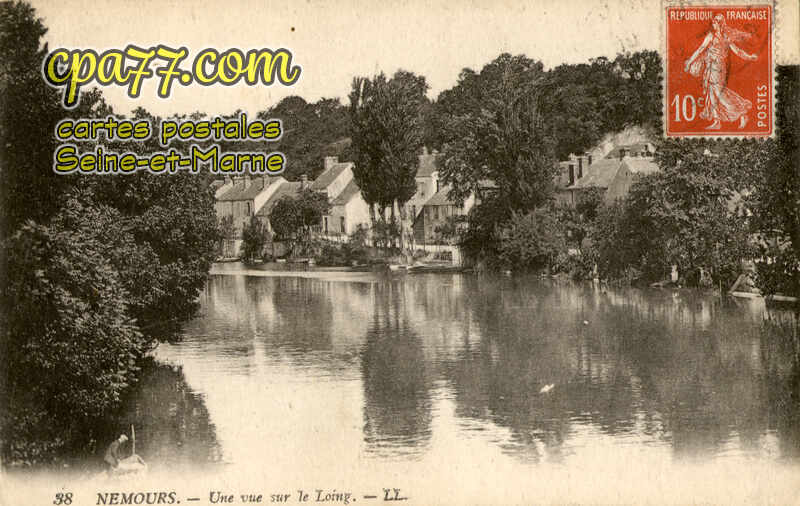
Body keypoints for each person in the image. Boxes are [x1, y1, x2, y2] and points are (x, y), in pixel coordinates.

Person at [684, 13, 759, 130]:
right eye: (713, 22)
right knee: (711, 93)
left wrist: (749, 57)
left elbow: (737, 51)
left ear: (720, 24)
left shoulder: (726, 37)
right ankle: (717, 121)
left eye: (716, 22)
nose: (714, 24)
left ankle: (741, 113)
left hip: (719, 68)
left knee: (719, 93)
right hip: (710, 67)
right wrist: (689, 62)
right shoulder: (710, 36)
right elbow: (700, 50)